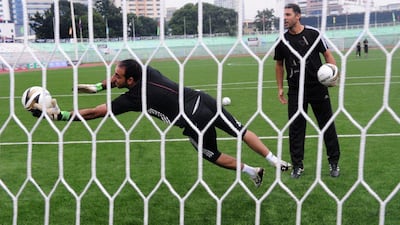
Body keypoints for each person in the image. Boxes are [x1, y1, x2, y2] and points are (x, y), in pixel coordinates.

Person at [30, 59, 291, 188]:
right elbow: (118, 80)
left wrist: (60, 115)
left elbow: (96, 113)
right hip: (204, 99)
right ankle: (272, 161)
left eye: (118, 77)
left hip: (193, 119)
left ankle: (251, 172)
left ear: (130, 80)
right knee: (241, 131)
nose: (114, 78)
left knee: (210, 154)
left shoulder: (134, 98)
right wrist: (99, 86)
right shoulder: (148, 70)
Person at [273, 3, 341, 178]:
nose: (285, 18)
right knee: (296, 128)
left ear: (298, 16)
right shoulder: (282, 40)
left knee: (327, 125)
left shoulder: (313, 34)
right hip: (296, 90)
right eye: (284, 15)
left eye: (288, 15)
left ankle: (334, 162)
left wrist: (334, 73)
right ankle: (298, 166)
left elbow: (327, 54)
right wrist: (280, 87)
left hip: (317, 87)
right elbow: (279, 65)